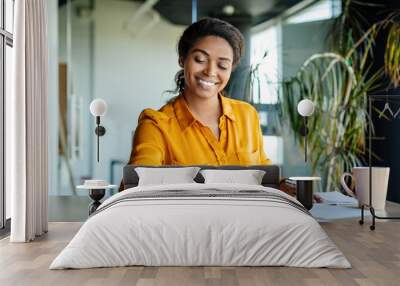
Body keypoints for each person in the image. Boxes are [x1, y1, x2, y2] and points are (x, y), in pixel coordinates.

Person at [121, 18, 271, 190]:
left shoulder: (247, 115)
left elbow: (265, 173)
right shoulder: (156, 125)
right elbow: (136, 186)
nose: (211, 71)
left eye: (222, 65)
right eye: (200, 59)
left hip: (247, 216)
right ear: (182, 59)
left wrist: (286, 186)